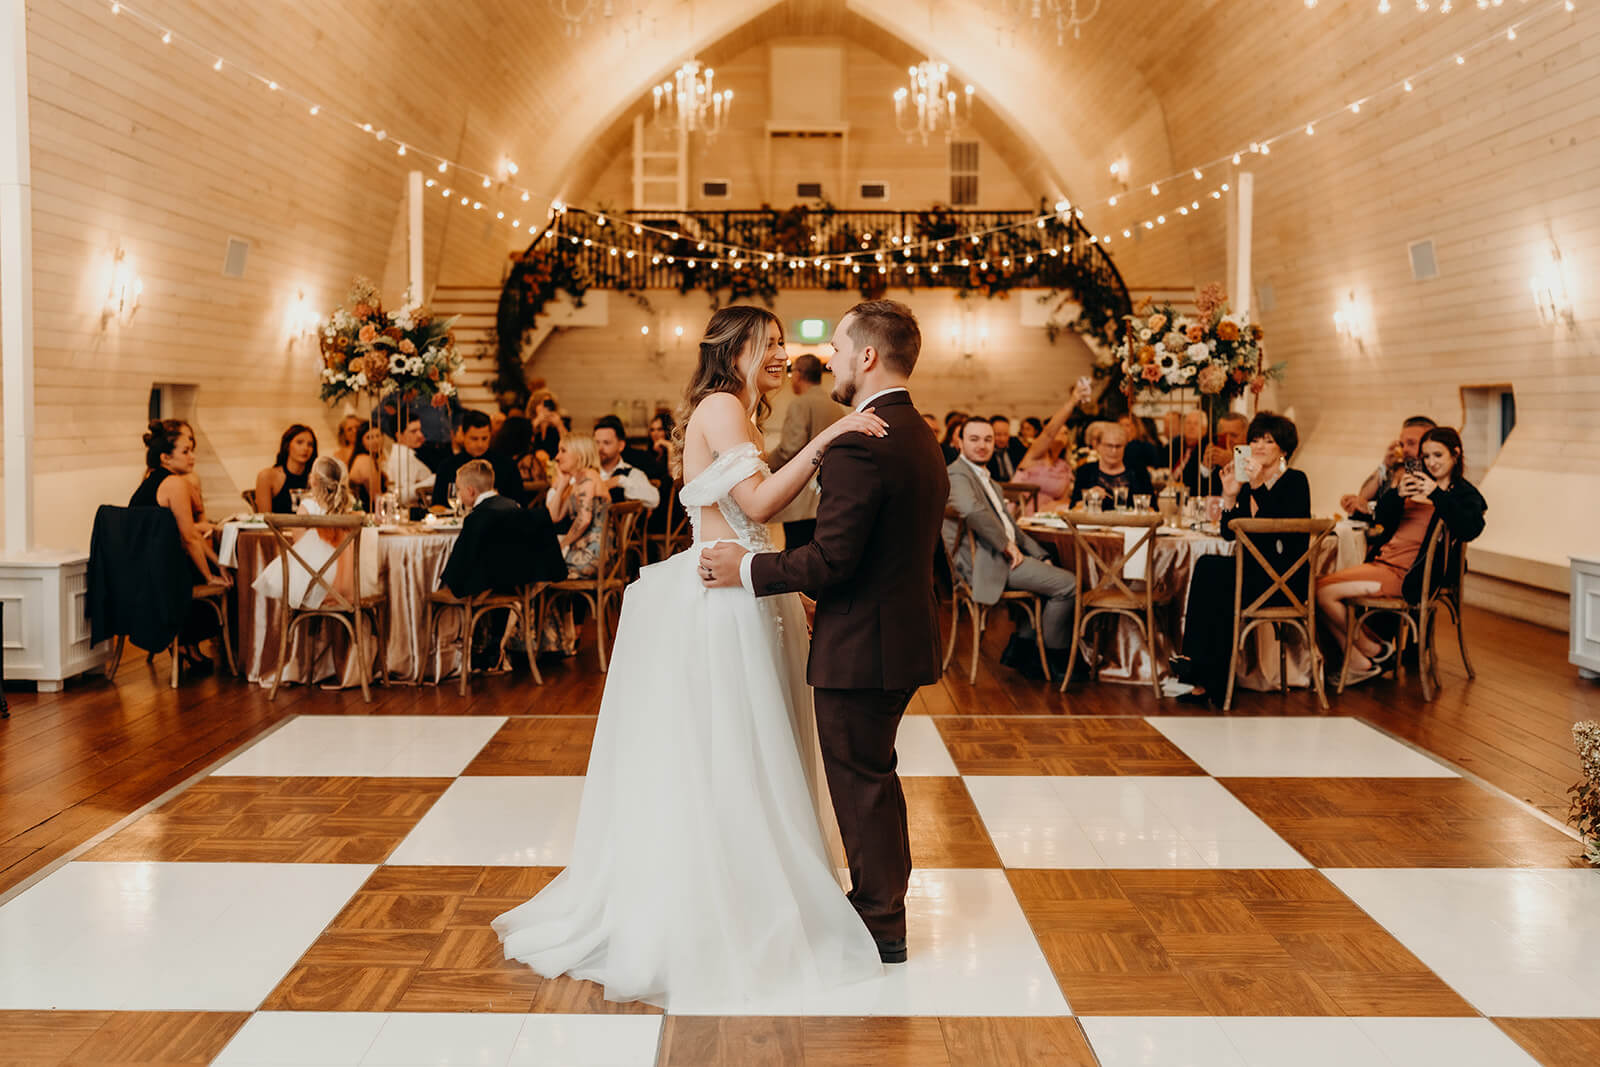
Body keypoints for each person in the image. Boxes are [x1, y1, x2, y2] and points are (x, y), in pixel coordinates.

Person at [494, 304, 891, 1008]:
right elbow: (761, 496)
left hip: (746, 583)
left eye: (780, 342)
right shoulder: (721, 407)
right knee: (734, 753)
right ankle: (729, 902)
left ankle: (749, 886)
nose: (781, 354)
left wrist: (783, 578)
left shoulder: (734, 410)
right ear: (734, 348)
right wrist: (829, 438)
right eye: (769, 344)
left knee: (748, 750)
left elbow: (754, 518)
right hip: (723, 598)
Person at [700, 298, 948, 969]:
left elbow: (832, 558)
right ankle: (880, 904)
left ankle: (879, 920)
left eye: (837, 346)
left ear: (868, 356)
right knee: (875, 776)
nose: (827, 356)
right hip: (896, 636)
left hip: (863, 647)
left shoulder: (861, 442)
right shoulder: (915, 430)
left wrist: (748, 568)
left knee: (862, 783)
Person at [1317, 425, 1485, 684]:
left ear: (1456, 454)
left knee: (1322, 592)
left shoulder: (1464, 494)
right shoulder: (1414, 481)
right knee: (1318, 587)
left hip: (1409, 575)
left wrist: (1436, 494)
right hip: (1383, 562)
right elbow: (1380, 518)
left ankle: (1372, 653)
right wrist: (1397, 495)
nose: (1431, 462)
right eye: (1426, 457)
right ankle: (1365, 658)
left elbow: (1469, 527)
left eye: (1438, 456)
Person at [1171, 412, 1311, 707]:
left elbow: (1279, 530)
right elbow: (1228, 533)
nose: (1259, 446)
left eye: (1268, 441)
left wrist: (1258, 486)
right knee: (1211, 568)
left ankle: (1207, 680)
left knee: (1216, 574)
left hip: (1284, 578)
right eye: (1256, 439)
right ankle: (1204, 677)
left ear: (1284, 449)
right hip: (1252, 573)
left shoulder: (1295, 481)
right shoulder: (1248, 484)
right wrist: (1230, 496)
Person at [947, 417, 1076, 677]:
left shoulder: (989, 480)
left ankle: (1022, 650)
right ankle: (1051, 659)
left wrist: (1041, 555)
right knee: (1069, 584)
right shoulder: (956, 473)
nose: (982, 445)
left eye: (988, 439)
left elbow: (1013, 527)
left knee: (1055, 568)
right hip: (984, 563)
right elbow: (971, 510)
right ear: (959, 442)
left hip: (1001, 558)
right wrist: (1006, 545)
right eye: (974, 439)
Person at [130, 421, 231, 672]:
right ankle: (213, 649)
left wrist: (216, 564)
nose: (192, 456)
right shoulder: (175, 484)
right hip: (159, 575)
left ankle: (188, 645)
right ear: (165, 457)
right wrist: (212, 575)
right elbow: (189, 537)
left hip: (139, 569)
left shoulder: (152, 480)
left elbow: (190, 535)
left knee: (207, 564)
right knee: (224, 578)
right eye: (185, 451)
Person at [540, 432, 608, 655]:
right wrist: (560, 484)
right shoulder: (577, 480)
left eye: (563, 451)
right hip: (585, 552)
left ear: (578, 453)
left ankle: (552, 643)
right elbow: (553, 516)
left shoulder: (589, 476)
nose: (557, 457)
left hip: (591, 555)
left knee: (538, 573)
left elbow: (584, 518)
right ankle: (557, 641)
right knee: (538, 569)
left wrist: (563, 545)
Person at [770, 353, 844, 547]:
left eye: (791, 372)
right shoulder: (835, 405)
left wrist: (765, 463)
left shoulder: (800, 404)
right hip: (829, 495)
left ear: (799, 374)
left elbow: (790, 448)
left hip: (802, 496)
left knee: (796, 552)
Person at [1016, 379, 1094, 510]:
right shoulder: (1034, 457)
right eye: (1058, 430)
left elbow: (1064, 500)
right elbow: (1049, 433)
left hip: (1048, 517)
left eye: (1065, 432)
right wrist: (1073, 400)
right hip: (1021, 514)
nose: (1061, 434)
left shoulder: (1064, 467)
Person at [1340, 415, 1437, 519]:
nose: (1404, 450)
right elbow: (1363, 497)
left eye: (1411, 443)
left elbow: (1395, 513)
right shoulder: (1397, 467)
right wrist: (1384, 465)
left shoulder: (1429, 476)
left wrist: (1369, 508)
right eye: (1402, 444)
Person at [431, 410, 522, 507]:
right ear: (463, 435)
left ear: (491, 435)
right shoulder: (447, 466)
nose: (480, 444)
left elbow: (519, 504)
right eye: (474, 438)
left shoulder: (507, 466)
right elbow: (438, 506)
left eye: (484, 438)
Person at [1070, 422, 1155, 507]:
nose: (1114, 451)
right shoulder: (1085, 471)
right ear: (1098, 446)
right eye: (1109, 446)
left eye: (1118, 446)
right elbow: (1073, 509)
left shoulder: (1139, 471)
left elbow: (1153, 509)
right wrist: (1089, 497)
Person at [593, 415, 662, 507]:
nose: (600, 448)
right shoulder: (585, 471)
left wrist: (620, 481)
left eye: (606, 443)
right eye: (596, 443)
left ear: (621, 445)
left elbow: (654, 500)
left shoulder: (632, 474)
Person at [254, 424, 317, 514]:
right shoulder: (267, 476)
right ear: (287, 445)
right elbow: (264, 518)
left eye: (310, 444)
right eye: (299, 442)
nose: (305, 448)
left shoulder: (315, 478)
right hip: (276, 528)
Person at [386, 420, 436, 506]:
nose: (420, 435)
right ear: (399, 435)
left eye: (420, 430)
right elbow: (400, 497)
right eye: (413, 431)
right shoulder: (402, 458)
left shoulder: (407, 455)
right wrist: (432, 480)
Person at [347, 421, 388, 511]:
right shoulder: (365, 460)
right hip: (366, 515)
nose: (376, 441)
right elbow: (377, 497)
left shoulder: (371, 459)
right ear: (361, 441)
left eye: (378, 436)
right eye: (369, 437)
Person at [1118, 413, 1163, 477]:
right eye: (1120, 425)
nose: (1123, 428)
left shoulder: (1146, 447)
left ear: (1136, 427)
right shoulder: (1117, 448)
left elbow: (1155, 467)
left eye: (1127, 425)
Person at [987, 415, 1026, 481]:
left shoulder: (1016, 446)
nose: (1003, 439)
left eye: (1006, 434)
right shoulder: (986, 451)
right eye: (998, 434)